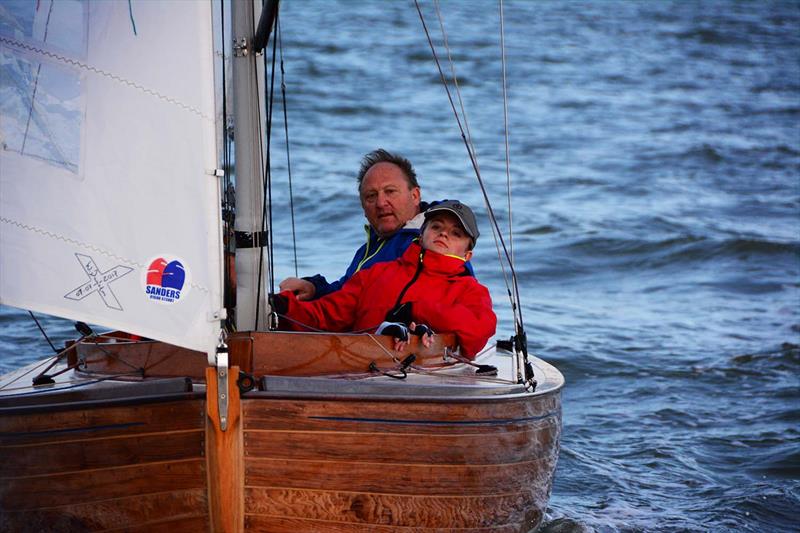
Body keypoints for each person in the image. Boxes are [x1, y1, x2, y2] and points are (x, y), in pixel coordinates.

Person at [271, 200, 496, 359]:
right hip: (357, 373)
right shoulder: (375, 274)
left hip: (423, 385)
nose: (443, 234)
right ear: (421, 234)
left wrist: (417, 310)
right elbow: (326, 316)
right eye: (436, 226)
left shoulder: (470, 291)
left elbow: (477, 332)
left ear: (467, 255)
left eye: (456, 233)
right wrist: (284, 306)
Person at [279, 149, 471, 301]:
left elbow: (459, 286)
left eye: (390, 191)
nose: (380, 203)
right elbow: (346, 293)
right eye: (371, 196)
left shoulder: (431, 241)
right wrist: (313, 289)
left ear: (415, 196)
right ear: (363, 207)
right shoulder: (369, 249)